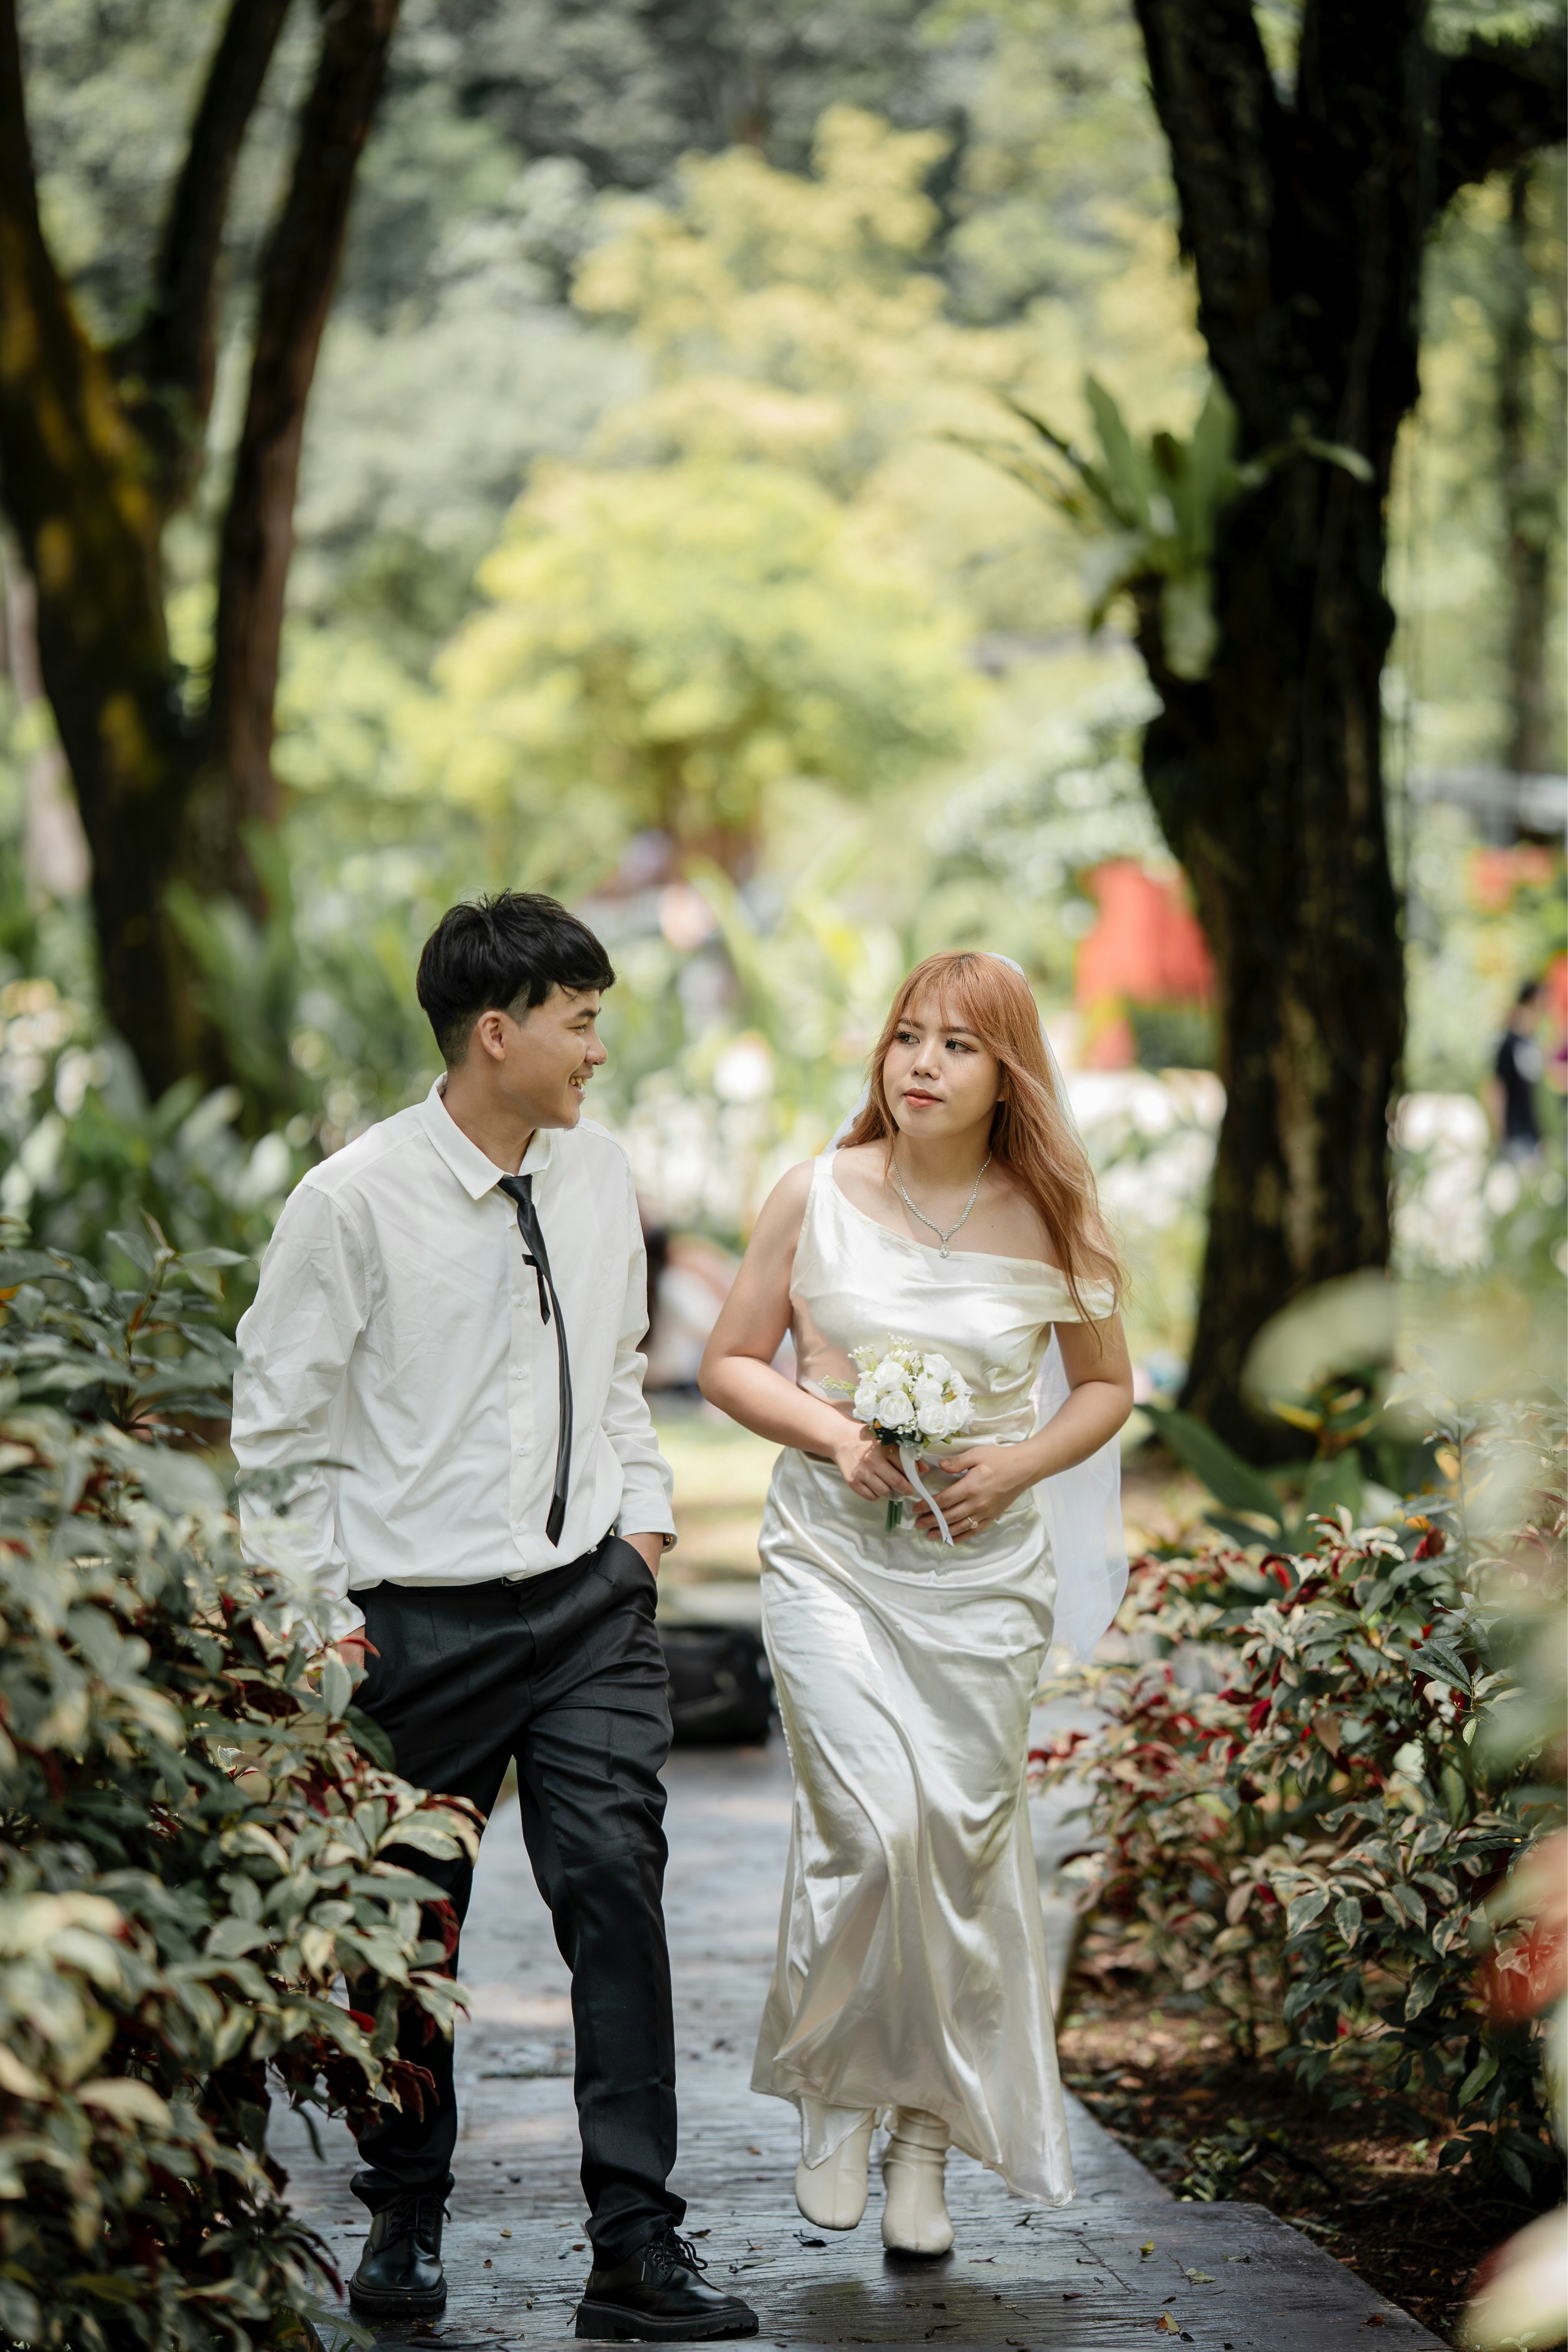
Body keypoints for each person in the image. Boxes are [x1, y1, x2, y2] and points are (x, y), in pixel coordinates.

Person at [231, 892, 758, 2342]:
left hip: (589, 1603)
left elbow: (626, 1364)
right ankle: (405, 2211)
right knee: (413, 1928)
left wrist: (638, 1532)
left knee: (614, 1888)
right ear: (496, 1030)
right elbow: (277, 1435)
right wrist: (317, 1626)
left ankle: (636, 2244)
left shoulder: (600, 1178)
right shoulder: (350, 1201)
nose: (597, 1047)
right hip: (413, 1624)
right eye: (579, 1019)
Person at [699, 951, 1134, 2256]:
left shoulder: (1060, 1218)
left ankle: (924, 2137)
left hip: (984, 1578)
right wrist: (834, 1435)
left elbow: (1106, 1388)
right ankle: (836, 2090)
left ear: (1009, 1074)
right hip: (833, 1555)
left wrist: (1021, 1460)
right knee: (872, 1822)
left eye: (956, 1044)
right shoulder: (813, 1192)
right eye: (906, 1037)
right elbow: (727, 1359)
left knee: (952, 1834)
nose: (921, 1064)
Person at [1489, 978, 1545, 1163]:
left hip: (1531, 1136)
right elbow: (1496, 1088)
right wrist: (1500, 1132)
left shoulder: (1530, 1043)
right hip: (1514, 1135)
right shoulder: (1508, 1043)